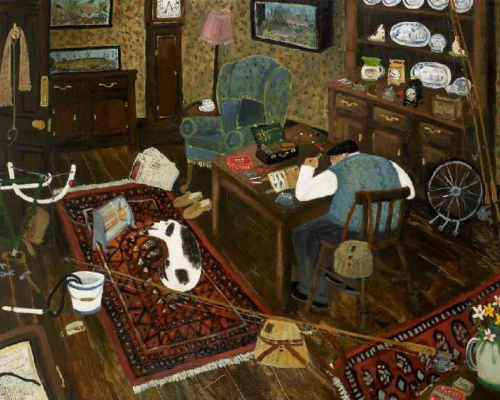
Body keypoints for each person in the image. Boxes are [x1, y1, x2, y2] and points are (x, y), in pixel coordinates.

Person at [292, 140, 415, 310]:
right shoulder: (388, 163)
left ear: (344, 155)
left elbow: (302, 195)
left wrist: (307, 169)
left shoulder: (338, 169)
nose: (332, 162)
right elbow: (410, 193)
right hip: (387, 230)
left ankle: (313, 294)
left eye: (333, 158)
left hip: (356, 232)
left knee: (303, 233)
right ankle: (348, 277)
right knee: (336, 221)